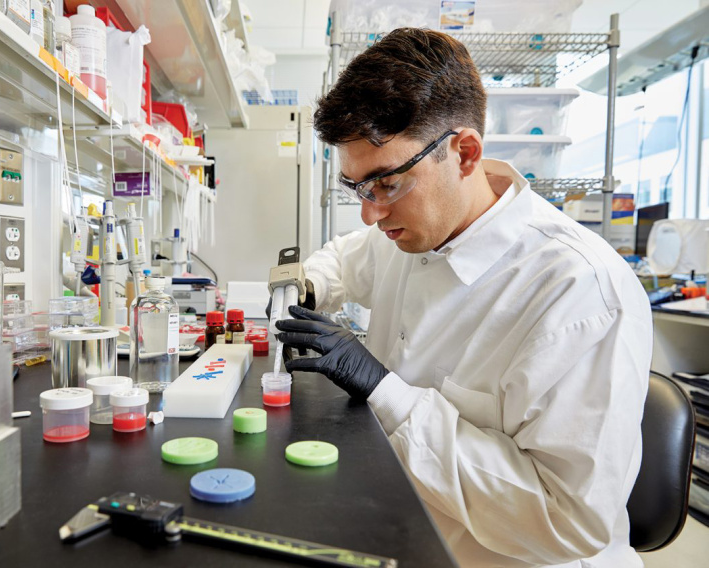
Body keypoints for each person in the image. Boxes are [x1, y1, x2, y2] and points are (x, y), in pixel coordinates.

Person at [275, 27, 652, 568]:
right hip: (403, 530)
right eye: (356, 187)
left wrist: (388, 393)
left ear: (465, 153)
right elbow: (343, 259)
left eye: (385, 183)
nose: (369, 212)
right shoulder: (409, 231)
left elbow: (570, 521)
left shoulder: (578, 293)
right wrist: (308, 287)